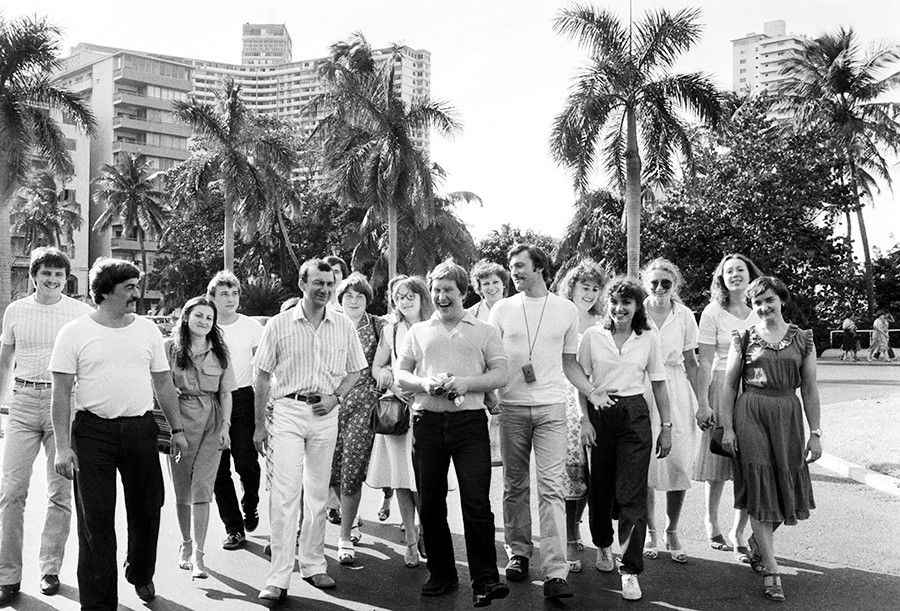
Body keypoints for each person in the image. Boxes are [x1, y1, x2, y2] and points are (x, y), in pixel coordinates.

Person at [49, 257, 188, 609]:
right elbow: (61, 393)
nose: (136, 295)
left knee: (148, 507)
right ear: (106, 291)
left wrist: (178, 429)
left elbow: (163, 383)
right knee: (95, 522)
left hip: (141, 430)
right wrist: (63, 448)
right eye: (129, 288)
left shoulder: (146, 330)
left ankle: (140, 573)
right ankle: (99, 604)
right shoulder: (74, 332)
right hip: (93, 434)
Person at [487, 244, 600, 602]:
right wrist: (489, 393)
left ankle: (555, 572)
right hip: (512, 407)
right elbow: (491, 357)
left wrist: (591, 391)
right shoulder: (501, 309)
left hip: (552, 408)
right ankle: (518, 553)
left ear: (539, 268)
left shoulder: (566, 310)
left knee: (552, 488)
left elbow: (569, 363)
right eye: (511, 266)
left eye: (519, 266)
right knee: (514, 484)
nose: (513, 271)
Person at [396, 260, 510, 606]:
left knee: (476, 503)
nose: (442, 296)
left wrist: (465, 383)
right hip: (427, 425)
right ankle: (442, 575)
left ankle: (485, 580)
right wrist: (424, 383)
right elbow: (401, 374)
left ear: (463, 292)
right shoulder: (418, 331)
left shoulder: (485, 330)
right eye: (437, 290)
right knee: (430, 504)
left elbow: (501, 374)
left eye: (449, 290)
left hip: (470, 425)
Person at [252, 259, 366, 603]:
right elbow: (261, 376)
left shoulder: (343, 325)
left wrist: (335, 398)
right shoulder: (278, 324)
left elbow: (356, 371)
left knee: (317, 494)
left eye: (330, 284)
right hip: (287, 411)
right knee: (285, 496)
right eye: (318, 283)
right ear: (303, 284)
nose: (325, 290)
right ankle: (278, 577)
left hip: (324, 415)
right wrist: (260, 425)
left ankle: (314, 564)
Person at [0, 247, 93, 605]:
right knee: (12, 492)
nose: (52, 279)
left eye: (58, 274)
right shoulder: (16, 310)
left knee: (60, 493)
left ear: (65, 278)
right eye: (46, 273)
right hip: (22, 403)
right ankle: (8, 576)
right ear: (33, 276)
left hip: (64, 407)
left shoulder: (80, 313)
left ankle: (50, 568)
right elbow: (5, 362)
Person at [720, 276, 822, 602]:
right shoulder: (744, 338)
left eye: (769, 300)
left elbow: (809, 389)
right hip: (751, 413)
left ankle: (756, 543)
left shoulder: (803, 339)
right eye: (758, 302)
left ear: (781, 299)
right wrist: (729, 428)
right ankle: (772, 566)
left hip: (788, 416)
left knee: (783, 490)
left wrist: (816, 433)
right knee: (760, 486)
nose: (764, 307)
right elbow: (728, 386)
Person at [578, 276, 672, 601]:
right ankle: (603, 545)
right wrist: (584, 420)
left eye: (626, 303)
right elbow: (581, 380)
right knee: (600, 489)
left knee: (632, 493)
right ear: (608, 304)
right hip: (600, 413)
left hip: (634, 413)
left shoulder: (648, 337)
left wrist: (668, 426)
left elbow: (659, 383)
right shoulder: (592, 336)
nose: (619, 309)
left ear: (636, 307)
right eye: (615, 303)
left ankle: (630, 570)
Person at [693, 253, 763, 560]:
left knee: (751, 463)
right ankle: (711, 520)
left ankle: (739, 530)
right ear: (721, 278)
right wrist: (703, 402)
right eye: (729, 271)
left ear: (750, 275)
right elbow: (704, 359)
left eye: (740, 270)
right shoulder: (713, 312)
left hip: (756, 389)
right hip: (722, 386)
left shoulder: (759, 310)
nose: (735, 275)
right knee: (719, 461)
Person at [165, 296, 237, 580]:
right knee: (183, 488)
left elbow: (226, 392)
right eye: (199, 316)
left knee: (203, 489)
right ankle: (185, 544)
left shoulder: (219, 351)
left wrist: (226, 426)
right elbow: (157, 384)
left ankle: (199, 555)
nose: (204, 321)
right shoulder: (169, 348)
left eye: (209, 317)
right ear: (186, 317)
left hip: (211, 421)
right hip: (179, 421)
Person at [367, 275, 434, 568]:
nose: (405, 302)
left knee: (426, 481)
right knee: (402, 480)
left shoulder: (436, 325)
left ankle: (426, 532)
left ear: (422, 297)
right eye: (399, 297)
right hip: (399, 413)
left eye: (410, 296)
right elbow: (378, 364)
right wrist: (391, 382)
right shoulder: (391, 329)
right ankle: (409, 540)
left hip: (430, 409)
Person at [641, 259, 700, 564]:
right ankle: (650, 531)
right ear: (645, 283)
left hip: (676, 388)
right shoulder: (637, 311)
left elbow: (691, 361)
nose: (661, 288)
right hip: (642, 386)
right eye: (655, 283)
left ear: (674, 284)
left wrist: (703, 402)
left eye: (666, 282)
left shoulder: (685, 315)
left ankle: (672, 529)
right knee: (646, 463)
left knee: (678, 461)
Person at [329, 273, 385, 565]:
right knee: (330, 470)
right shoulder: (329, 325)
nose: (354, 301)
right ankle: (344, 517)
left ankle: (345, 534)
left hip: (363, 407)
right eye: (348, 296)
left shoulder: (379, 325)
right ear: (340, 300)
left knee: (352, 469)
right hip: (329, 405)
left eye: (359, 296)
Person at [208, 271, 264, 550]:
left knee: (246, 462)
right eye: (224, 294)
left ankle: (250, 503)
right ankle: (233, 527)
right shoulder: (205, 325)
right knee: (218, 470)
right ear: (212, 298)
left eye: (234, 293)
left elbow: (266, 366)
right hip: (210, 402)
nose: (230, 299)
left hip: (243, 398)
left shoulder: (251, 326)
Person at [555, 260, 605, 572]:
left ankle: (582, 526)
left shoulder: (603, 318)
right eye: (584, 287)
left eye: (595, 288)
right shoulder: (561, 314)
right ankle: (570, 536)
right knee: (569, 472)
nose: (589, 293)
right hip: (565, 397)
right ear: (571, 287)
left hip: (598, 395)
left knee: (591, 473)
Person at [467, 260, 511, 467]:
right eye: (486, 283)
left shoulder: (516, 308)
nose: (491, 287)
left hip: (513, 380)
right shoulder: (470, 315)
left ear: (504, 284)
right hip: (482, 383)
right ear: (478, 288)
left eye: (496, 282)